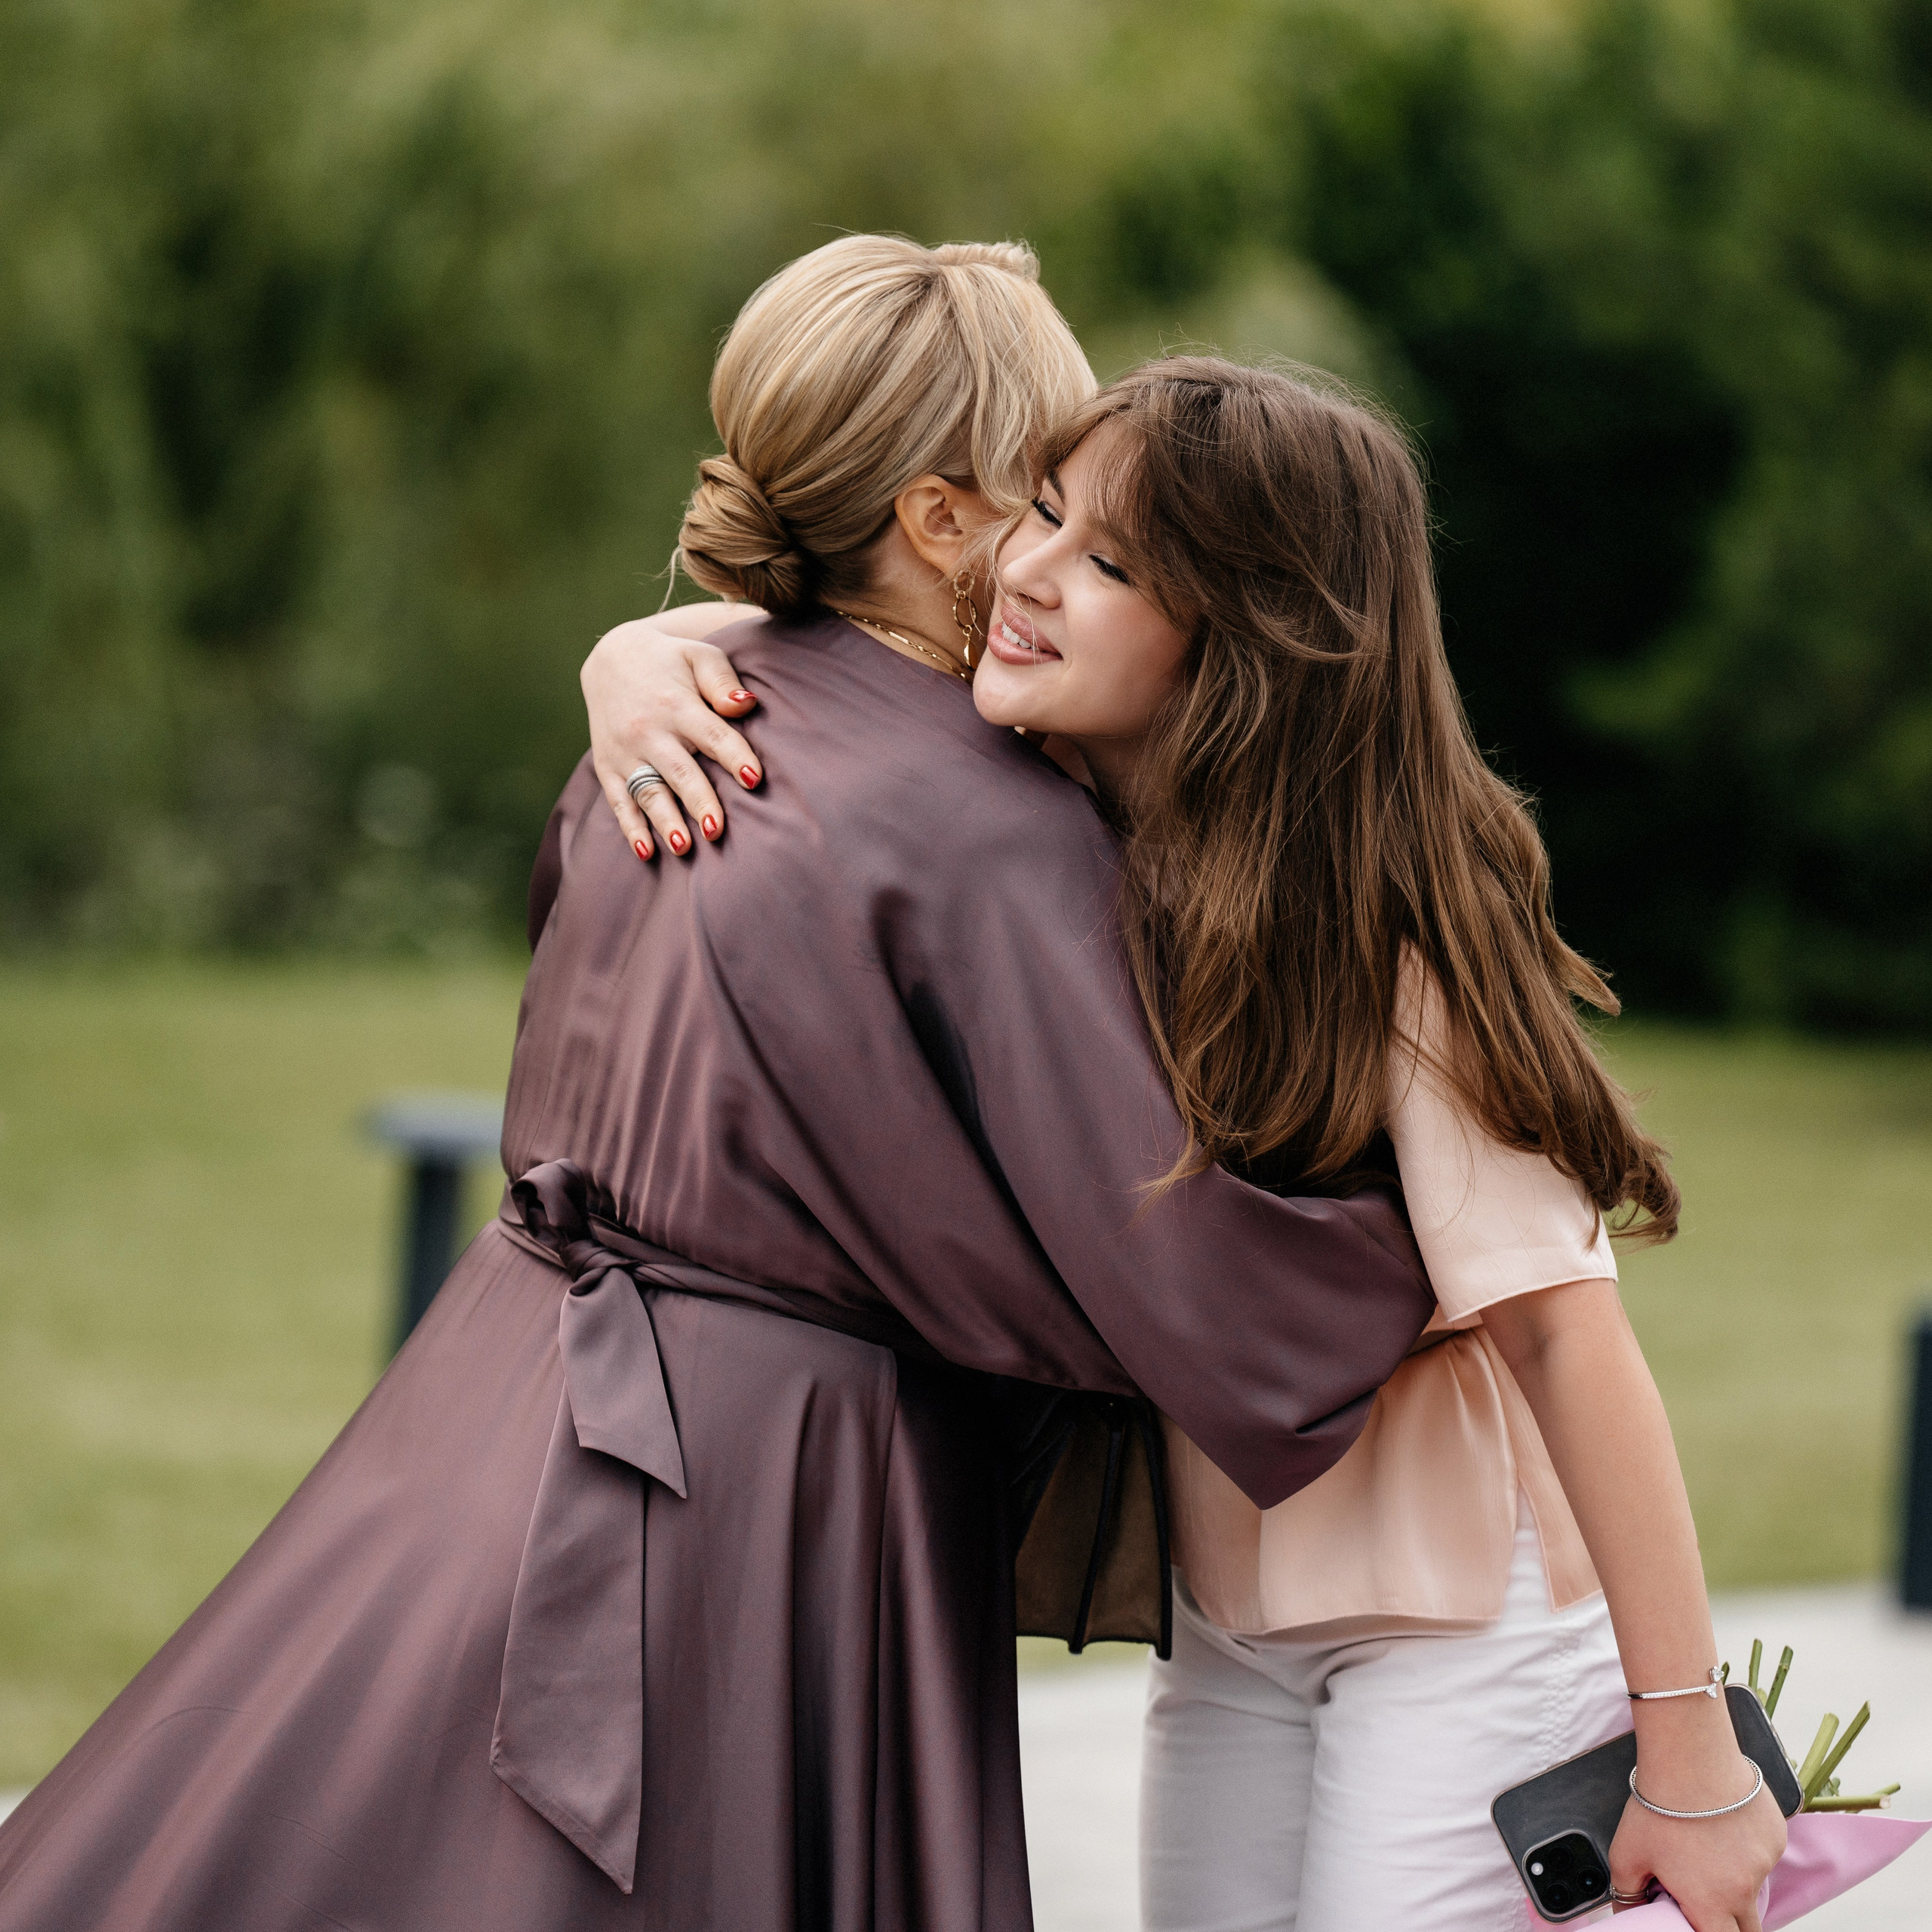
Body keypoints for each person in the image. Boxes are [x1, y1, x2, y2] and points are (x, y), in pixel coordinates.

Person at [0, 245, 1436, 1932]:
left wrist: (638, 645)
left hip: (495, 1387)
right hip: (769, 1482)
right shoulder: (984, 831)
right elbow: (1155, 1248)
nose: (1069, 548)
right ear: (940, 521)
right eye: (1045, 494)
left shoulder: (669, 727)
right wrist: (1435, 1247)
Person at [577, 358, 1787, 1932]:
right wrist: (624, 659)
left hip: (1459, 1619)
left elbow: (1564, 1330)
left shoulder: (1388, 907)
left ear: (1250, 638)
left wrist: (1686, 1745)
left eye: (1110, 564)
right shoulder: (1045, 799)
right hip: (1231, 1619)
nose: (1024, 573)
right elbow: (802, 656)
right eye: (1049, 515)